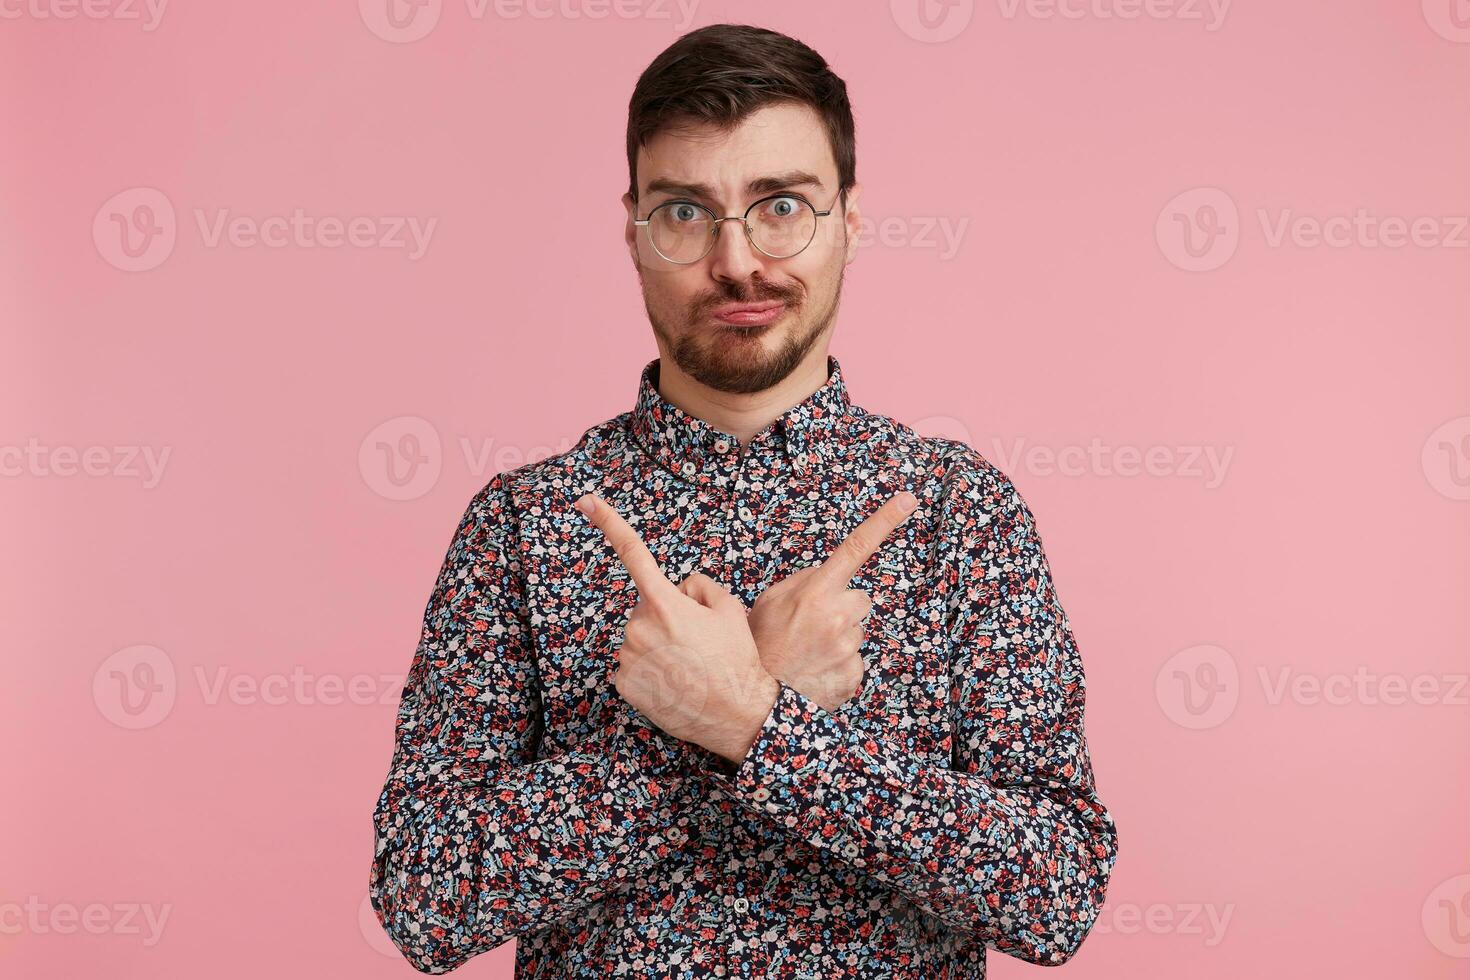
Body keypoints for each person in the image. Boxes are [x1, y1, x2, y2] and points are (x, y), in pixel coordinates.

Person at [369, 22, 1118, 978]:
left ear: (848, 219)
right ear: (634, 230)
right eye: (686, 212)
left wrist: (756, 722)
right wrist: (714, 723)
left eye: (782, 206)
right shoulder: (527, 522)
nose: (737, 261)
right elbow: (424, 902)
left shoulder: (960, 513)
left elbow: (1055, 894)